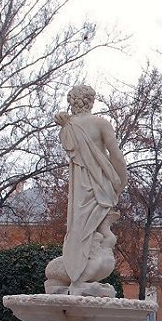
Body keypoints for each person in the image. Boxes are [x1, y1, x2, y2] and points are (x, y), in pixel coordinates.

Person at [47, 84, 128, 296]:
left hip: (79, 190)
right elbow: (116, 155)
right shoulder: (100, 123)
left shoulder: (68, 125)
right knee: (97, 230)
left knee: (79, 229)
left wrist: (65, 124)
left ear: (72, 101)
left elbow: (71, 149)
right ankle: (79, 280)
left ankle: (78, 276)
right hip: (99, 186)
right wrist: (121, 181)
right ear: (91, 101)